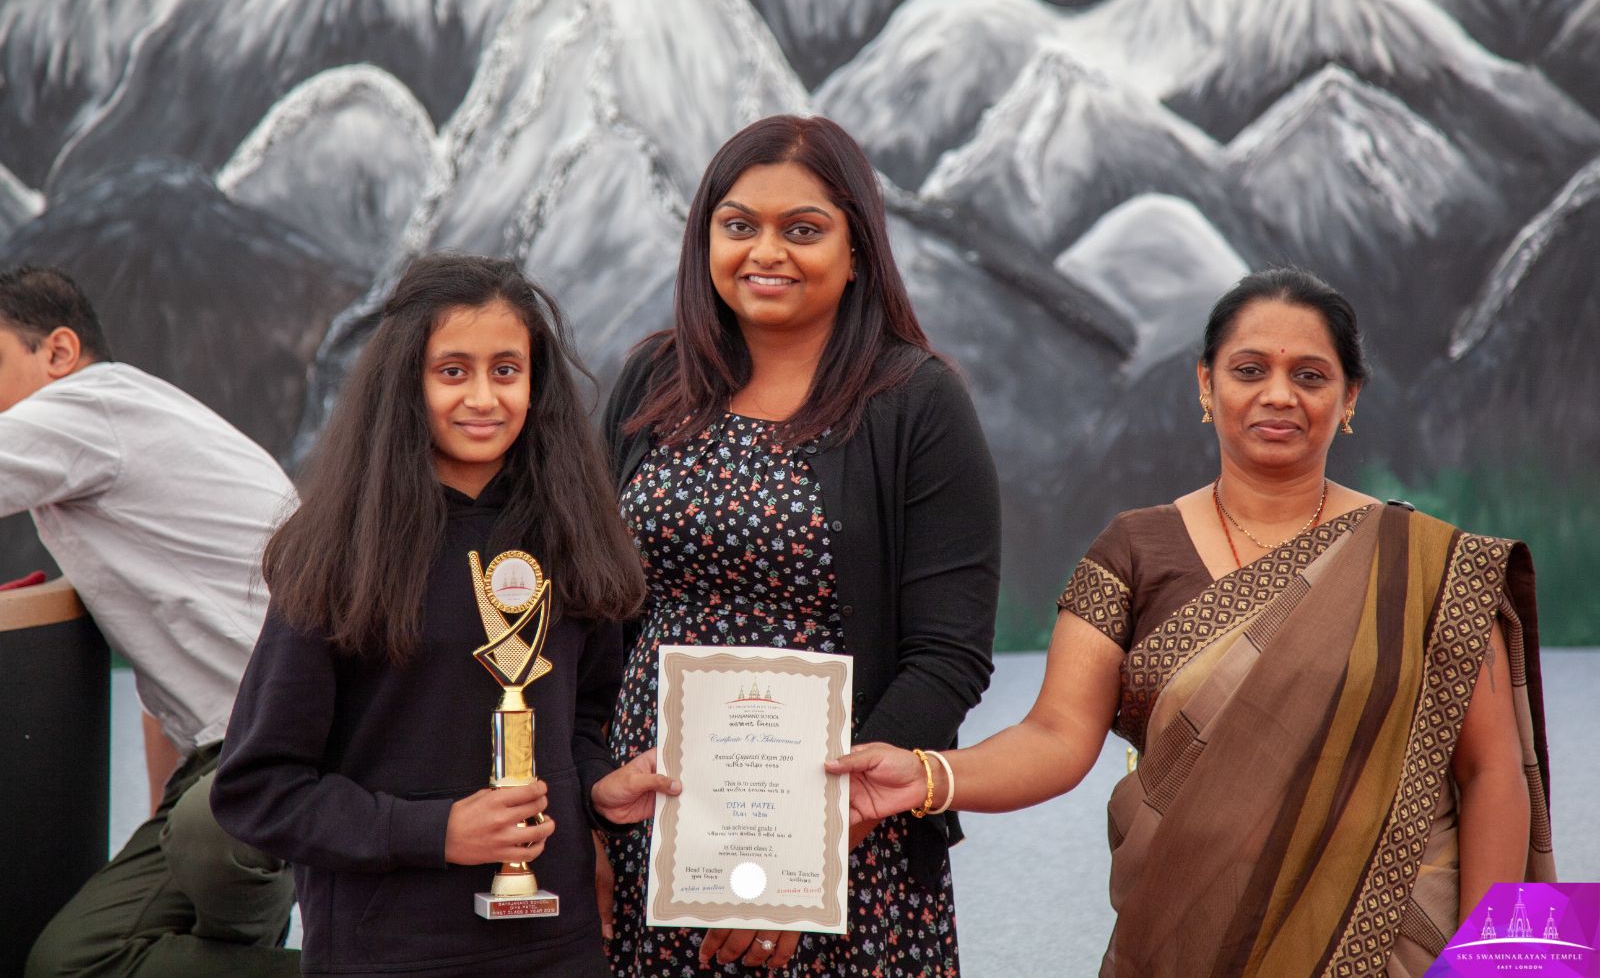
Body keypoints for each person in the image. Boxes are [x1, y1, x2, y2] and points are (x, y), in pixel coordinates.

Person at [830, 268, 1555, 976]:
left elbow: (1491, 770)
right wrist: (926, 775)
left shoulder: (1426, 565)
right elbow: (1055, 736)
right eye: (1249, 369)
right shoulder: (1134, 552)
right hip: (1184, 937)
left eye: (1310, 375)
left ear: (1349, 396)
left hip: (1400, 947)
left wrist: (1489, 964)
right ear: (1205, 384)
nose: (1279, 394)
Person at [601, 114, 1001, 974]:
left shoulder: (919, 403)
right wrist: (591, 812)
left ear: (857, 250)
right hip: (654, 836)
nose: (765, 251)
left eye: (804, 229)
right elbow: (592, 618)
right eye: (739, 225)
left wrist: (801, 854)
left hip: (851, 853)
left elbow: (948, 657)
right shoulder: (651, 381)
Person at [210, 253, 678, 977]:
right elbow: (258, 788)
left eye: (507, 370)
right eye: (452, 370)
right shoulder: (337, 553)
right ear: (406, 383)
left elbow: (580, 720)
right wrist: (437, 830)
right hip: (388, 949)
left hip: (556, 942)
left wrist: (597, 784)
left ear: (537, 383)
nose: (483, 397)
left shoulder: (575, 536)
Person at [0, 265, 300, 976]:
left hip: (272, 748)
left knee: (206, 848)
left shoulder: (87, 407)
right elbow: (168, 677)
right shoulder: (136, 428)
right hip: (231, 752)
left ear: (60, 353)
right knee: (69, 961)